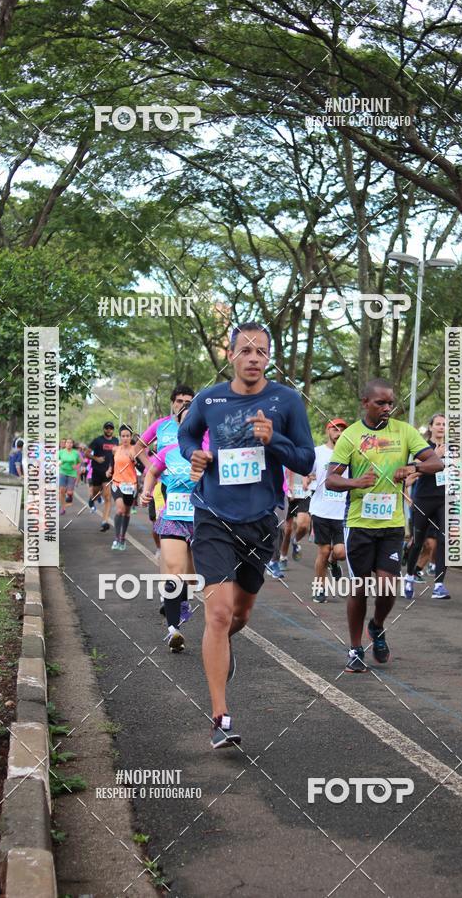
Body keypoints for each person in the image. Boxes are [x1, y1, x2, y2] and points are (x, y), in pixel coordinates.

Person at [179, 321, 315, 749]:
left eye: (261, 351)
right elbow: (186, 435)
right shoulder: (210, 398)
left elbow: (307, 459)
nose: (253, 358)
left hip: (260, 520)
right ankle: (220, 716)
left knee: (239, 617)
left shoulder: (286, 401)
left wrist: (274, 440)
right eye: (245, 351)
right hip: (213, 515)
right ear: (231, 356)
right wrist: (194, 455)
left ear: (268, 356)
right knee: (217, 614)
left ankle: (221, 650)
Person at [325, 379, 443, 673]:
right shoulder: (351, 435)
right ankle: (354, 648)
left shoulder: (404, 432)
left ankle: (376, 626)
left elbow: (436, 463)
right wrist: (355, 481)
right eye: (381, 403)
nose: (388, 408)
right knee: (360, 587)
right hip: (359, 524)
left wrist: (413, 467)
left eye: (391, 403)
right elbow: (331, 479)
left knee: (388, 586)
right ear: (365, 402)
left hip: (391, 523)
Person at [141, 403, 197, 652]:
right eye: (183, 421)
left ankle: (183, 601)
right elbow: (152, 472)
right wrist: (146, 491)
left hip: (203, 519)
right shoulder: (169, 452)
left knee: (191, 576)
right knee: (174, 569)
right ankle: (173, 630)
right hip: (173, 515)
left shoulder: (209, 451)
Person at [403, 412, 449, 600]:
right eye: (438, 424)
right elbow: (410, 476)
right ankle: (409, 577)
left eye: (444, 424)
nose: (441, 427)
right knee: (418, 542)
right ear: (431, 427)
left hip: (444, 500)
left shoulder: (453, 449)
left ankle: (439, 585)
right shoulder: (423, 449)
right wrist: (434, 459)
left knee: (444, 539)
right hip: (423, 499)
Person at [308, 419, 349, 604]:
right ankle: (319, 588)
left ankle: (334, 563)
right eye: (335, 428)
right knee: (323, 551)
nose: (339, 432)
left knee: (340, 552)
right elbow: (307, 471)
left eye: (342, 429)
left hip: (343, 512)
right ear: (328, 431)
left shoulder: (351, 453)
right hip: (321, 510)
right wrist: (307, 478)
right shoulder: (318, 452)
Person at [108, 425, 147, 550]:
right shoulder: (115, 449)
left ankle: (123, 537)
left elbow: (143, 468)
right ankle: (116, 538)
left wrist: (135, 462)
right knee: (119, 510)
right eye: (123, 436)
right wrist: (109, 470)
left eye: (127, 436)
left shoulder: (135, 450)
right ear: (120, 437)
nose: (125, 438)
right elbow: (112, 462)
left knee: (126, 512)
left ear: (131, 436)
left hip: (131, 486)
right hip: (117, 483)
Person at [86, 422, 118, 532]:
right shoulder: (97, 440)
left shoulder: (116, 441)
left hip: (108, 473)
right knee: (95, 492)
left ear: (113, 430)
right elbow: (87, 453)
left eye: (111, 428)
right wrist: (96, 458)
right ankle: (92, 498)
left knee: (108, 497)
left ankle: (105, 522)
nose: (109, 430)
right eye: (107, 428)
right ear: (104, 429)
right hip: (97, 471)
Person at [278, 469, 312, 564]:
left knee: (304, 525)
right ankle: (283, 557)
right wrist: (290, 484)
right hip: (288, 493)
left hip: (304, 494)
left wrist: (308, 478)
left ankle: (295, 540)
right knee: (287, 530)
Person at [58, 438, 81, 515]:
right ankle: (63, 508)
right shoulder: (61, 452)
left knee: (69, 492)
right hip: (62, 472)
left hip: (72, 473)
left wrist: (77, 467)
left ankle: (70, 495)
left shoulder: (75, 453)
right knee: (62, 490)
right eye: (67, 442)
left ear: (72, 444)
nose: (69, 444)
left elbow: (80, 462)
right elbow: (55, 461)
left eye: (71, 443)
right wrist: (58, 463)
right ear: (65, 444)